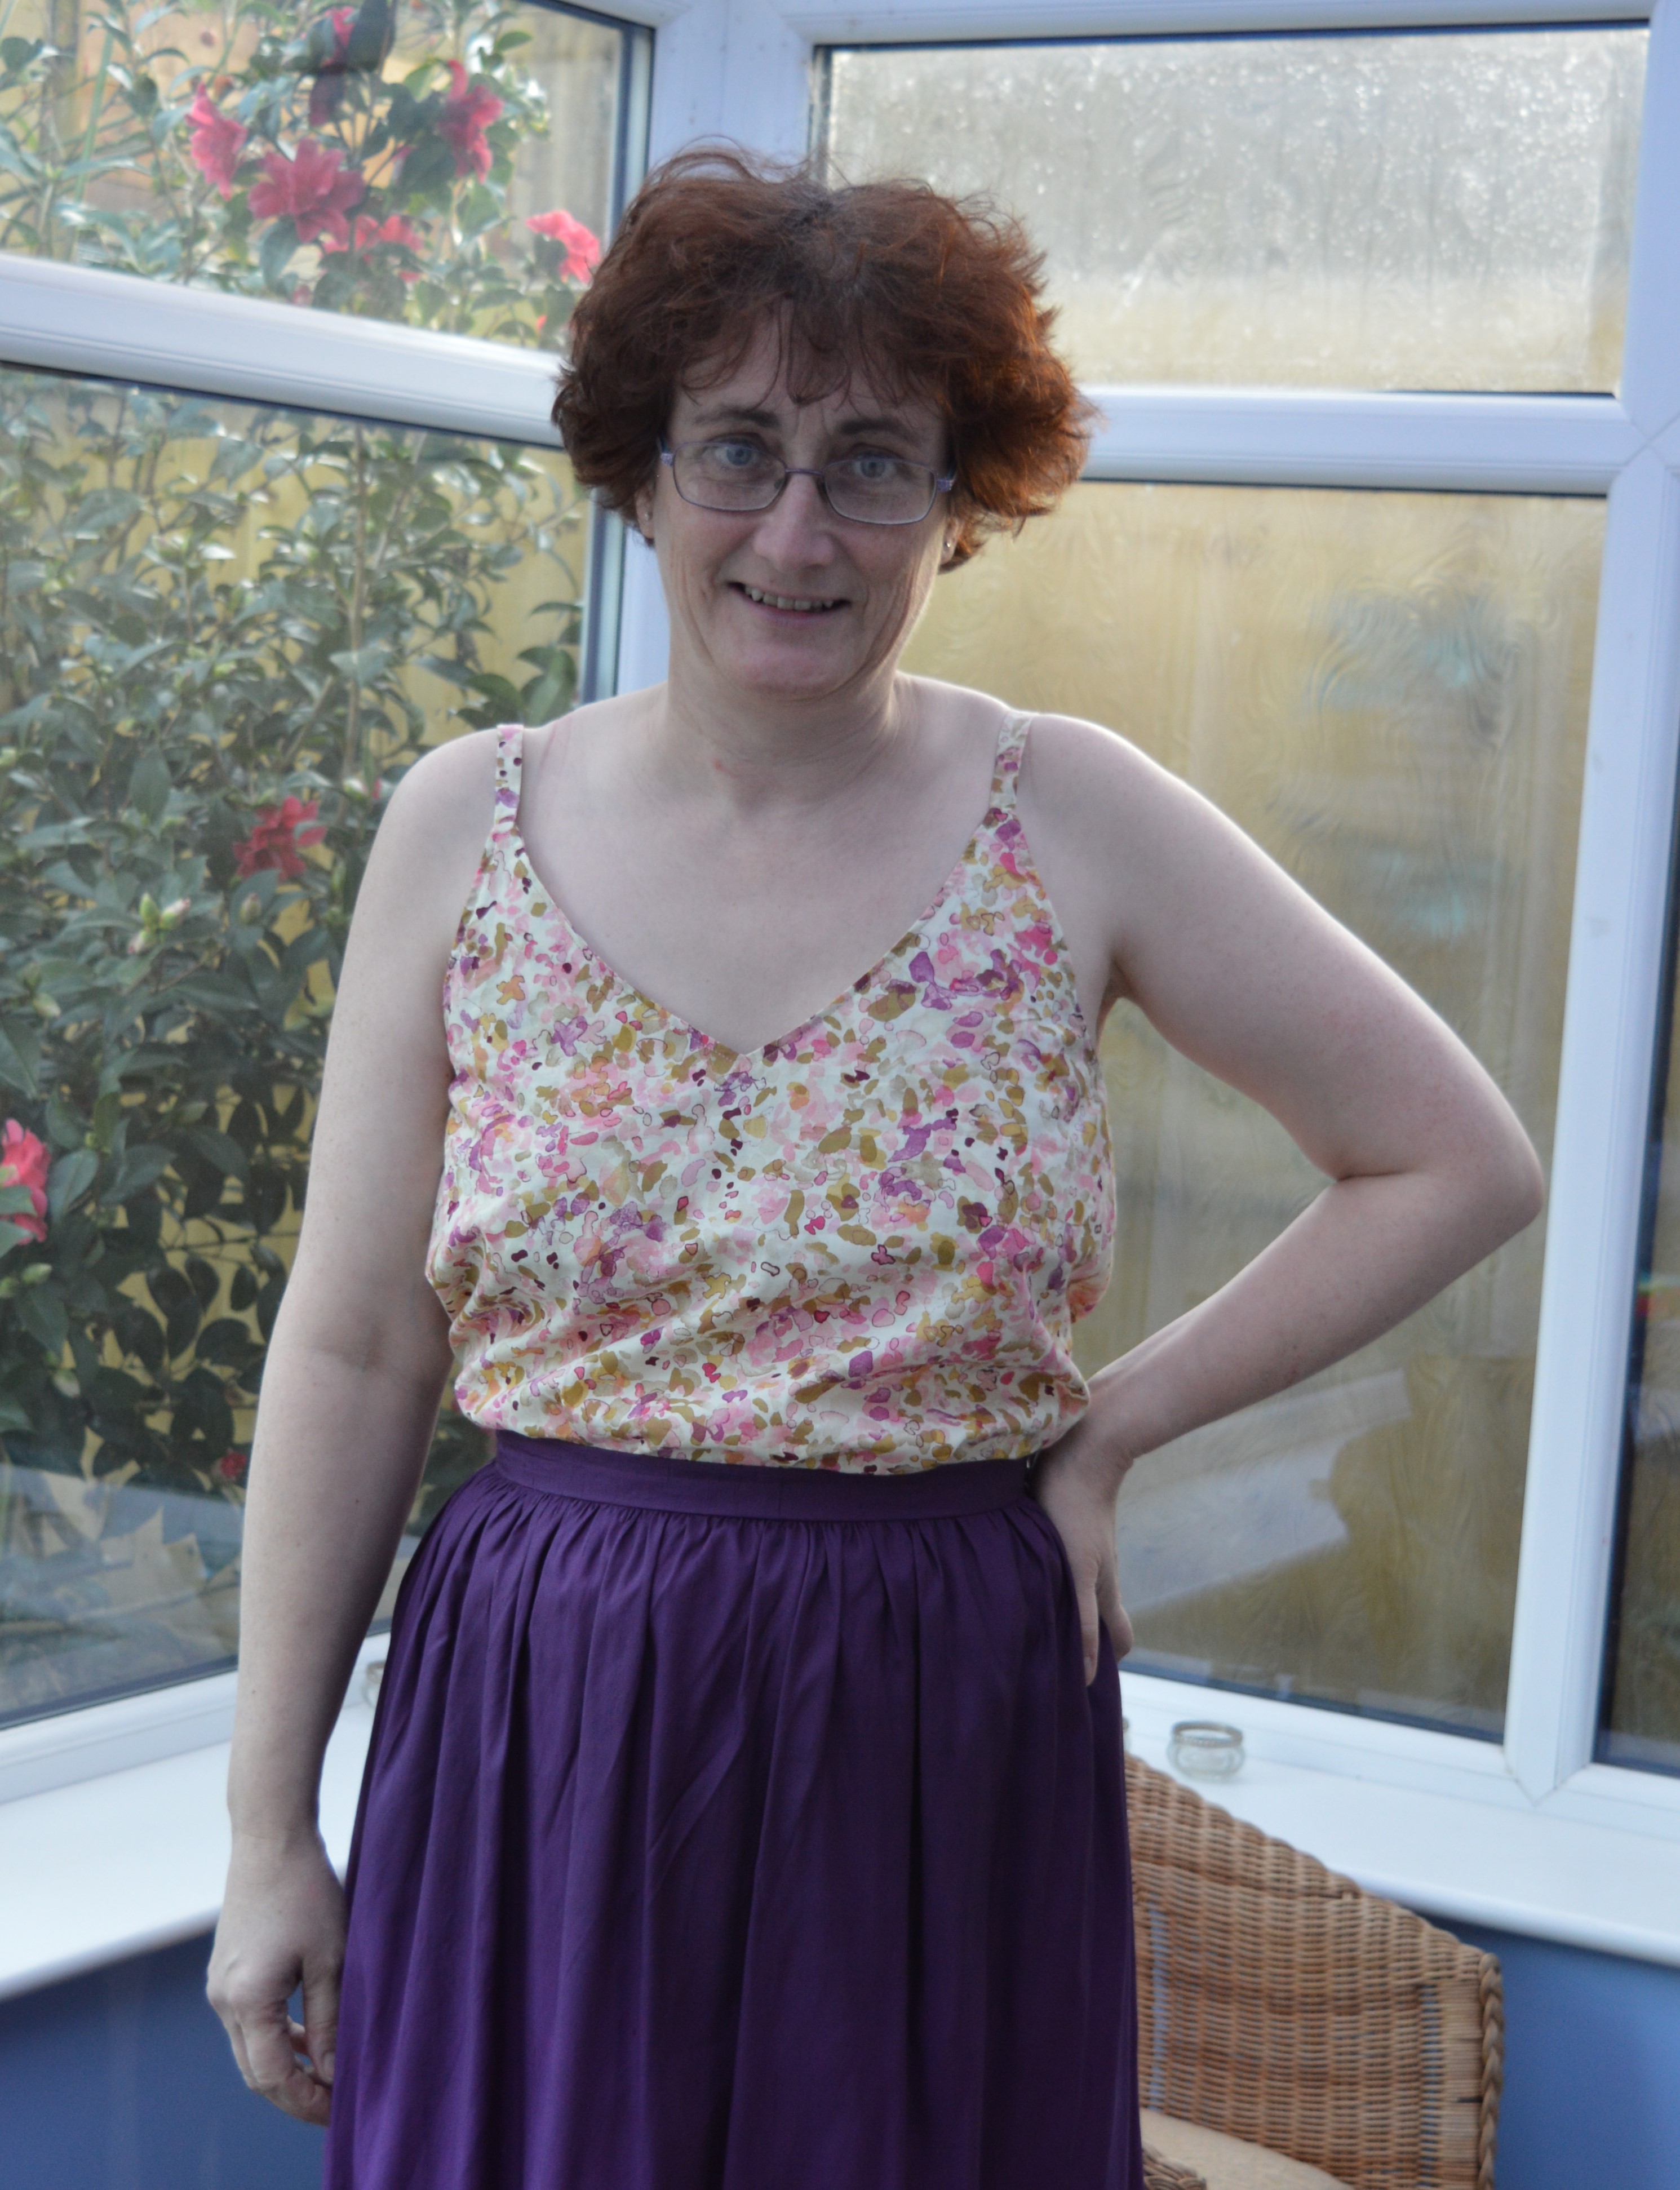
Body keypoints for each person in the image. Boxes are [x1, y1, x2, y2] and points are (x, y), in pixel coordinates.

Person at [206, 150, 1543, 2190]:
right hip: (548, 1702)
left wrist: (1111, 1428)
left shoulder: (1070, 816)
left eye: (875, 464)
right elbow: (358, 1343)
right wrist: (265, 1831)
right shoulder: (462, 826)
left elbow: (1452, 1159)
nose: (799, 530)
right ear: (641, 471)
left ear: (961, 499)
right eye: (739, 448)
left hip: (930, 1706)